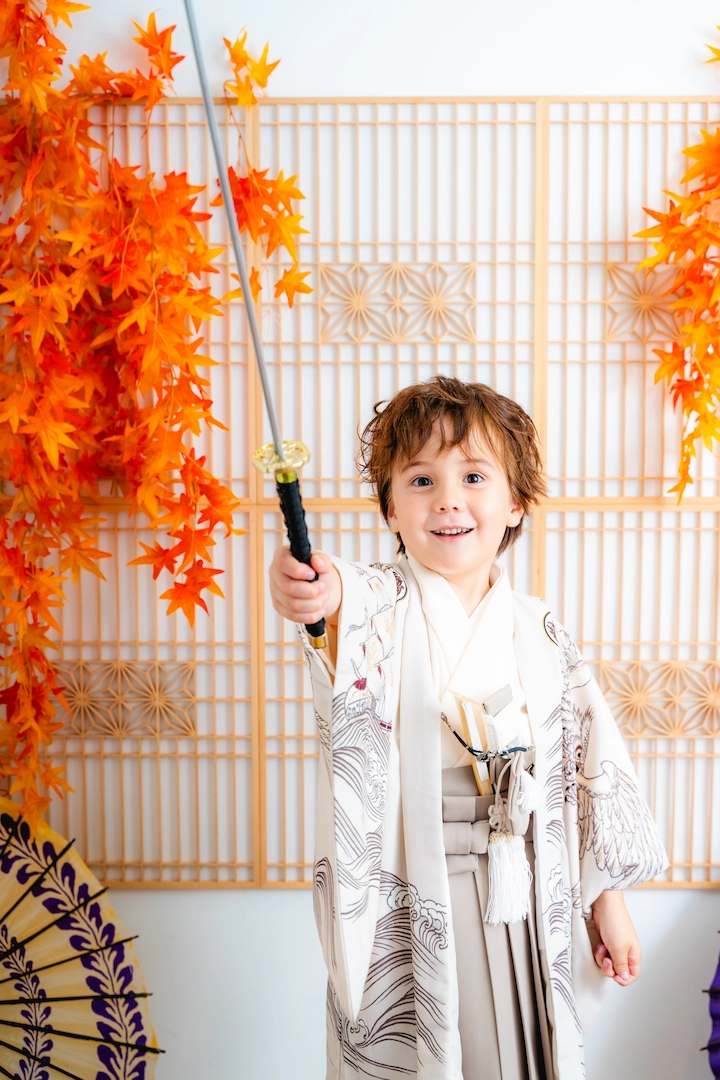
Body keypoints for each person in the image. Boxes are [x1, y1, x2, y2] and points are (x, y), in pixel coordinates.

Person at [269, 376, 667, 1080]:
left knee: (524, 1051)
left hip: (528, 890)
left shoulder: (540, 630)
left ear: (515, 503)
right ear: (391, 509)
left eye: (474, 477)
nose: (448, 499)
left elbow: (583, 774)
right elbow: (331, 598)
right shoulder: (376, 606)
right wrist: (307, 587)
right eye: (421, 480)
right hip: (420, 887)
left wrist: (606, 902)